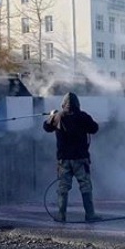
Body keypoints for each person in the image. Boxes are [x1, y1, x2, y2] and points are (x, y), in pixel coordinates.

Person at [43, 92, 101, 222]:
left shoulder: (58, 117)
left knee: (63, 187)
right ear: (77, 104)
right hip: (81, 159)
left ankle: (61, 215)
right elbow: (95, 128)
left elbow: (46, 127)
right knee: (85, 186)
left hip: (64, 160)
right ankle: (90, 215)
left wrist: (52, 116)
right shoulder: (83, 116)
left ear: (63, 105)